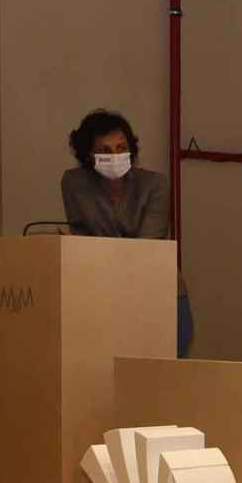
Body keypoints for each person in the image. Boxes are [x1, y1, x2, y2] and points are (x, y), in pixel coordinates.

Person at [60, 109, 191, 354]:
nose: (115, 155)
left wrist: (89, 248)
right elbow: (80, 237)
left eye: (121, 148)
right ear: (88, 155)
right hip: (105, 296)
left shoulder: (155, 185)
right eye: (105, 150)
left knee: (163, 383)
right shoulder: (74, 183)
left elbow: (146, 248)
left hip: (159, 294)